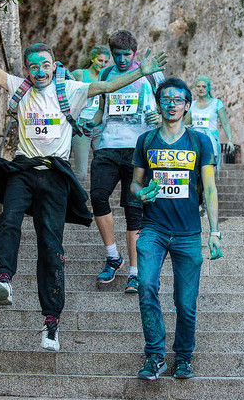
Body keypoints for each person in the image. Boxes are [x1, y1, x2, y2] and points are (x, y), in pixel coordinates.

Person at [0, 5, 167, 352]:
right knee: (9, 218)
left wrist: (142, 72)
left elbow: (108, 83)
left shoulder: (72, 90)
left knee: (51, 246)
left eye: (46, 64)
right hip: (24, 170)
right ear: (27, 69)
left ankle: (51, 324)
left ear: (54, 64)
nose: (40, 70)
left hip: (56, 176)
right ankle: (3, 278)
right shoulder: (20, 87)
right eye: (34, 66)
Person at [130, 77, 222, 380]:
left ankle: (183, 357)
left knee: (185, 301)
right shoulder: (146, 140)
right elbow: (135, 182)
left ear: (187, 105)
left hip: (187, 233)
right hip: (153, 228)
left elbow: (209, 188)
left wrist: (215, 232)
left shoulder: (199, 142)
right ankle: (154, 355)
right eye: (166, 98)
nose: (172, 103)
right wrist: (139, 193)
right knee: (146, 287)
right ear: (159, 103)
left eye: (178, 99)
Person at [86, 29, 164, 294]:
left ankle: (134, 272)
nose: (121, 60)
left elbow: (170, 103)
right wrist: (89, 123)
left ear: (135, 52)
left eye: (126, 55)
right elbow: (100, 111)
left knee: (134, 211)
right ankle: (112, 256)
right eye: (116, 55)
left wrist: (160, 119)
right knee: (97, 196)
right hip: (108, 147)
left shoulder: (150, 73)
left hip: (139, 150)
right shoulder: (107, 75)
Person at [71, 45, 111, 183]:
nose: (103, 64)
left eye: (106, 62)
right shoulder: (80, 74)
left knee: (102, 169)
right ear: (92, 59)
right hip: (82, 126)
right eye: (100, 61)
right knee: (81, 173)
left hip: (100, 127)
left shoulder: (108, 77)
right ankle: (73, 201)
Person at [185, 76, 234, 174]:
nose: (201, 89)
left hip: (211, 141)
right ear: (195, 88)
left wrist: (230, 140)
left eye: (204, 86)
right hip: (196, 141)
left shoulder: (216, 103)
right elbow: (186, 125)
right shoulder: (192, 105)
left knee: (209, 171)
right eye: (198, 86)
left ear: (208, 88)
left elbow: (225, 123)